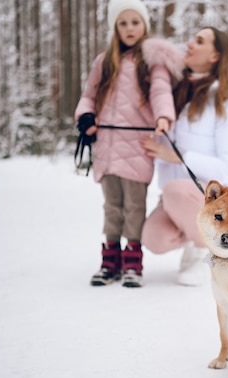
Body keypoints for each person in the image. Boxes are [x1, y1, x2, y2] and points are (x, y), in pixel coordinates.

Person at [74, 0, 184, 288]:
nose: (129, 28)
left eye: (135, 22)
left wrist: (163, 116)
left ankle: (133, 260)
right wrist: (86, 116)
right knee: (112, 205)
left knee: (134, 206)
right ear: (115, 27)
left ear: (144, 24)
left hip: (138, 146)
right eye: (123, 23)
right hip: (107, 146)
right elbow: (89, 95)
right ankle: (110, 259)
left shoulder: (152, 62)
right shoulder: (103, 62)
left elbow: (161, 93)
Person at [140, 27, 228, 286]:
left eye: (199, 41)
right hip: (174, 197)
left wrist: (178, 157)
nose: (189, 44)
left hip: (208, 199)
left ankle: (210, 254)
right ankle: (195, 236)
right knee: (153, 237)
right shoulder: (173, 93)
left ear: (215, 56)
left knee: (177, 190)